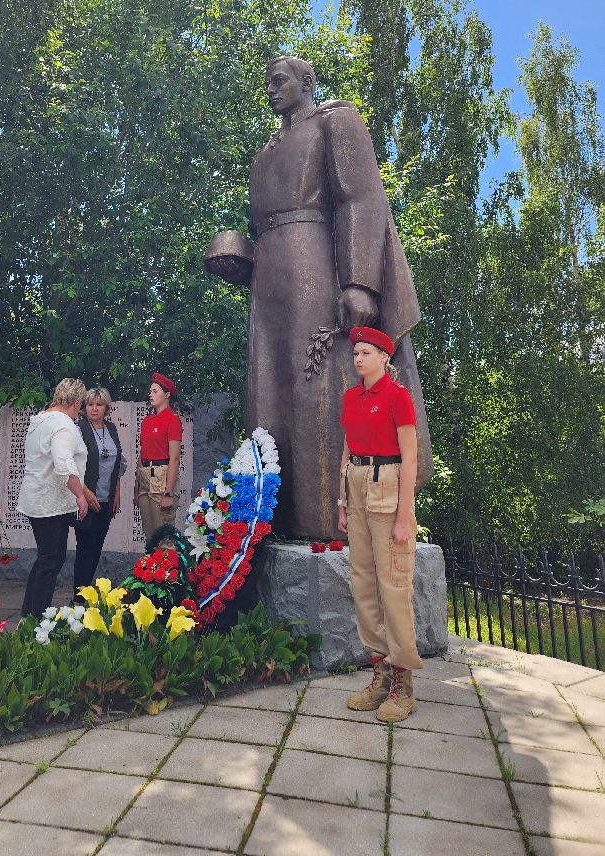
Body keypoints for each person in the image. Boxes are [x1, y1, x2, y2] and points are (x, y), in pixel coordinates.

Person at [205, 55, 433, 539]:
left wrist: (359, 280)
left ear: (307, 82)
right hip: (270, 284)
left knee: (318, 390)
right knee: (270, 392)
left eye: (279, 81)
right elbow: (269, 226)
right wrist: (240, 258)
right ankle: (274, 521)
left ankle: (330, 520)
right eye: (267, 83)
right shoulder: (264, 154)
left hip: (318, 269)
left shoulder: (335, 121)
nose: (270, 89)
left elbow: (360, 197)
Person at [338, 326, 421, 722]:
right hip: (357, 489)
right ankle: (380, 677)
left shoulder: (397, 397)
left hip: (388, 490)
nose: (358, 358)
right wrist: (342, 503)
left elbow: (410, 458)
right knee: (363, 585)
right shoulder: (351, 398)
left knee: (393, 586)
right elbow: (347, 450)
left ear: (385, 358)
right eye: (355, 352)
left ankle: (404, 686)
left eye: (366, 352)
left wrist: (404, 517)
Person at [17, 377, 100, 618]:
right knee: (52, 560)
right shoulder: (63, 425)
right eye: (82, 406)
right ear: (75, 403)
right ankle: (38, 619)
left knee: (46, 558)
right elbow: (63, 463)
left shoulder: (40, 421)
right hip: (50, 503)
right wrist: (80, 496)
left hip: (37, 499)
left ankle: (28, 615)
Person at [75, 387, 126, 597]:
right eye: (90, 404)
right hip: (86, 498)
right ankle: (78, 596)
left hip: (107, 497)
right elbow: (73, 466)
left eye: (99, 404)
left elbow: (118, 464)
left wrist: (117, 493)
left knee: (96, 547)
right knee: (85, 546)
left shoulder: (111, 429)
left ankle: (87, 593)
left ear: (107, 408)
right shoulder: (79, 429)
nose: (94, 409)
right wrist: (85, 493)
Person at [134, 373, 182, 543]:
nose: (151, 395)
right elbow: (142, 454)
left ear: (167, 395)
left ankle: (167, 569)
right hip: (145, 477)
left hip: (162, 476)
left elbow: (174, 458)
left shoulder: (172, 420)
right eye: (150, 391)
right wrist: (136, 488)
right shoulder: (147, 420)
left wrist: (168, 492)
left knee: (163, 535)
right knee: (150, 536)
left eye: (155, 391)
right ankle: (152, 570)